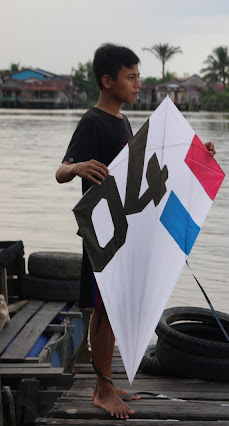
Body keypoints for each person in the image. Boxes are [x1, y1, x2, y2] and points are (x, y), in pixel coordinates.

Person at [56, 43, 215, 419]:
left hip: (124, 236)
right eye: (131, 77)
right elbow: (61, 170)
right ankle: (101, 389)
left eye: (138, 76)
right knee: (104, 309)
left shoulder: (124, 122)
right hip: (103, 237)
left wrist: (197, 157)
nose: (138, 84)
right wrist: (77, 169)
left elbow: (146, 172)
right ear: (108, 81)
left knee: (116, 306)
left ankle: (109, 381)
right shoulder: (93, 122)